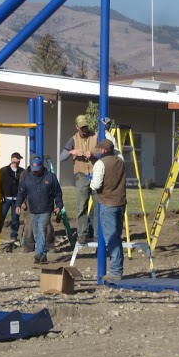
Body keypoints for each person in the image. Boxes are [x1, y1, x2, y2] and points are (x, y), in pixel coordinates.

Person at [89, 139, 127, 280]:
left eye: (100, 149)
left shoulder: (100, 164)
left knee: (111, 238)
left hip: (108, 203)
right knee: (117, 235)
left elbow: (96, 185)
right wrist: (108, 131)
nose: (98, 151)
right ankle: (118, 269)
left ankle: (116, 272)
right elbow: (116, 148)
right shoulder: (121, 160)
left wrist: (91, 182)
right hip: (121, 202)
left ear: (103, 151)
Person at [16, 156, 63, 264]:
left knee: (42, 230)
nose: (35, 173)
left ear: (42, 167)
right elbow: (21, 192)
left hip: (46, 209)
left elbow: (58, 192)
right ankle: (43, 256)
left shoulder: (50, 177)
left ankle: (38, 253)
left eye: (37, 171)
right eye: (33, 170)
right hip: (32, 209)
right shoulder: (27, 178)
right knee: (37, 233)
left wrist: (59, 205)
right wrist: (18, 204)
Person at [62, 115, 98, 242]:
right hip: (81, 175)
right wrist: (72, 152)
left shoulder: (96, 136)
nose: (84, 129)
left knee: (98, 204)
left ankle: (97, 234)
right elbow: (62, 157)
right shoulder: (72, 140)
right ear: (77, 127)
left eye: (86, 126)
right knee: (82, 205)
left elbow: (104, 152)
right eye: (82, 127)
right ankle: (82, 233)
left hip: (96, 174)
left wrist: (94, 154)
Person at [0, 153, 25, 251]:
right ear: (12, 159)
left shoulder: (22, 172)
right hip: (6, 198)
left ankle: (14, 235)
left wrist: (23, 200)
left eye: (19, 159)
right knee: (1, 215)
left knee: (15, 218)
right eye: (17, 158)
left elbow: (24, 186)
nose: (18, 160)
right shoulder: (3, 171)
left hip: (17, 199)